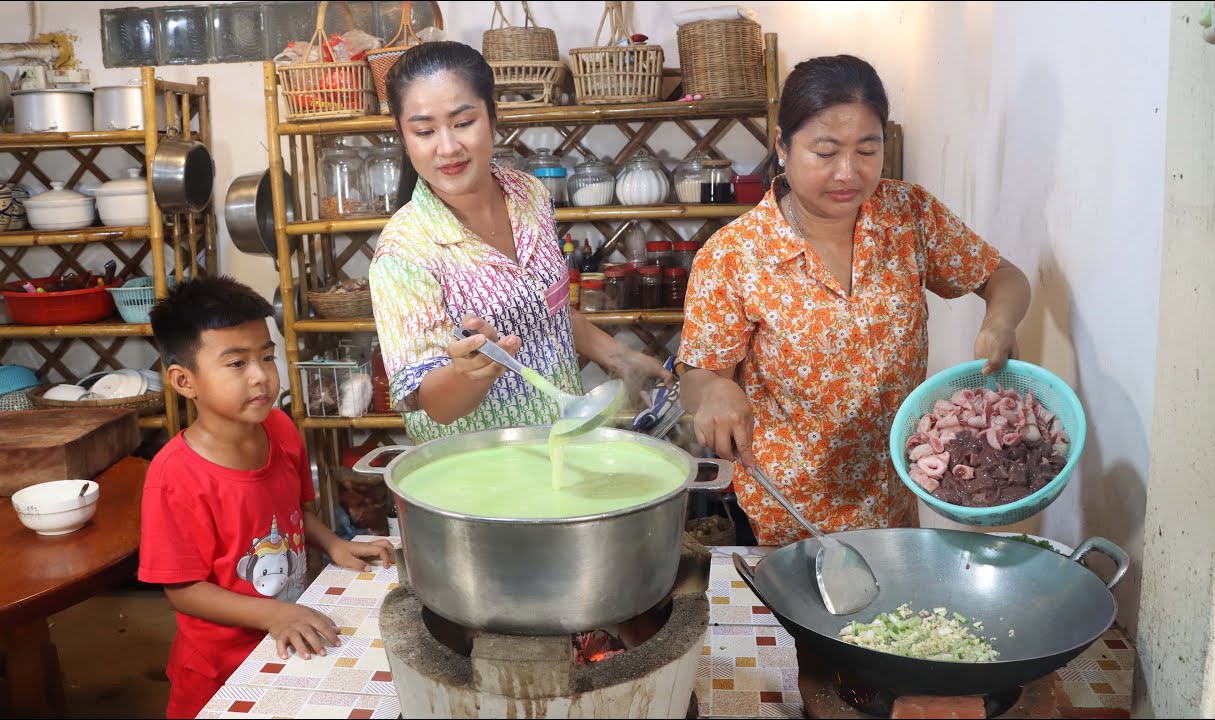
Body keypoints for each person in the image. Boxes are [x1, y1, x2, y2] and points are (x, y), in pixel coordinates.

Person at [678, 55, 1031, 546]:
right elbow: (697, 375)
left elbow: (1003, 277)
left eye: (867, 150)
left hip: (897, 503)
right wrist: (714, 391)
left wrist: (1000, 322)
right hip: (787, 518)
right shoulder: (734, 256)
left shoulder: (908, 215)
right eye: (825, 152)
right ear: (782, 146)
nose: (848, 173)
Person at [369, 41, 671, 442]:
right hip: (477, 475)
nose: (447, 147)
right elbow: (434, 406)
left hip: (562, 443)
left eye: (463, 123)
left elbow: (547, 309)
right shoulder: (403, 254)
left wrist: (621, 358)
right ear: (403, 135)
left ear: (493, 114)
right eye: (424, 131)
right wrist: (470, 373)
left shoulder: (530, 195)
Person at [139, 276, 395, 718]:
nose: (260, 376)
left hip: (291, 640)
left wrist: (334, 544)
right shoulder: (174, 476)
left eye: (266, 356)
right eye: (237, 364)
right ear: (184, 381)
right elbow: (183, 590)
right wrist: (273, 615)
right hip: (219, 669)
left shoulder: (280, 429)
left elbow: (297, 512)